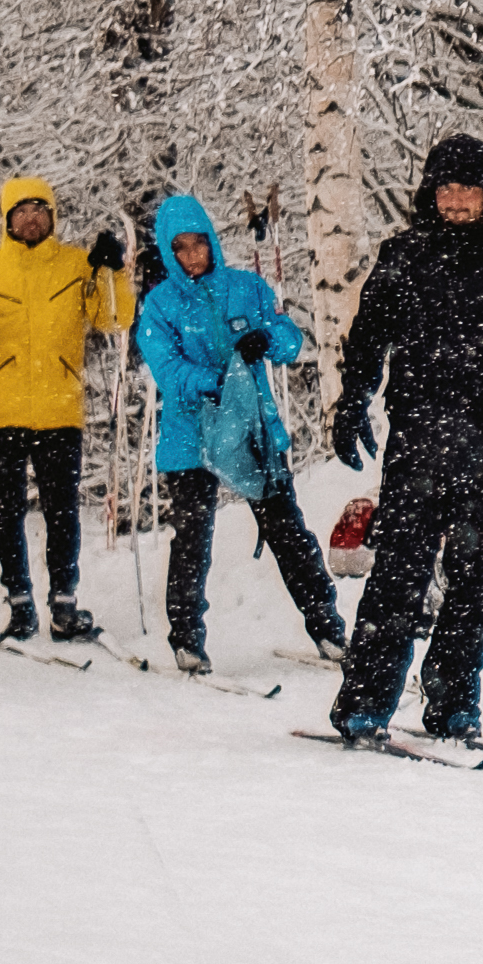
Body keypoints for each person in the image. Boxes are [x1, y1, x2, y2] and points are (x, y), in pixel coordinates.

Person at [326, 134, 483, 742]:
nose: (457, 201)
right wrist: (353, 399)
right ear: (430, 194)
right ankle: (365, 703)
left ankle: (454, 701)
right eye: (447, 189)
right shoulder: (403, 257)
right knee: (398, 576)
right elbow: (367, 337)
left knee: (475, 576)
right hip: (418, 440)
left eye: (469, 190)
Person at [134, 194, 347, 673]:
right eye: (181, 248)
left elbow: (290, 339)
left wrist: (266, 339)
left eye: (199, 244)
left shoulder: (246, 288)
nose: (193, 256)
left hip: (252, 431)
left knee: (286, 530)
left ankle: (328, 625)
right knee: (192, 538)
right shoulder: (159, 306)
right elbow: (168, 371)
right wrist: (221, 380)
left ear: (212, 241)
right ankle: (187, 636)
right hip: (190, 436)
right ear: (169, 253)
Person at [0, 176, 135, 641]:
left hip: (58, 406)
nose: (31, 219)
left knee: (61, 510)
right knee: (7, 512)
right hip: (2, 408)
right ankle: (20, 604)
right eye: (21, 212)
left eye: (39, 210)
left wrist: (112, 270)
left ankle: (64, 605)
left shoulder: (75, 265)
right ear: (6, 220)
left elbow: (113, 318)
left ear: (52, 215)